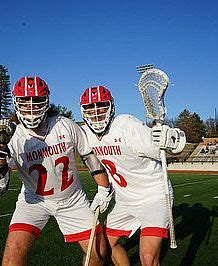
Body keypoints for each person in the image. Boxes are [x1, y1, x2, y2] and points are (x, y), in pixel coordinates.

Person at [0, 77, 113, 266]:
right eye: (25, 101)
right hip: (34, 201)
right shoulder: (12, 135)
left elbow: (88, 155)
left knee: (98, 254)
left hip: (72, 200)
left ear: (46, 101)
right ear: (16, 103)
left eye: (36, 100)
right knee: (13, 257)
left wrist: (103, 188)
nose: (31, 106)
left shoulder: (65, 125)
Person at [79, 86, 186, 266]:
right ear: (83, 111)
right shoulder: (86, 134)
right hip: (125, 200)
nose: (96, 112)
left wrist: (174, 139)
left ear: (111, 107)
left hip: (154, 196)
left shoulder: (126, 126)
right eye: (91, 107)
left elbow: (163, 149)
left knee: (147, 256)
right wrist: (103, 190)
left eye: (101, 106)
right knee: (104, 245)